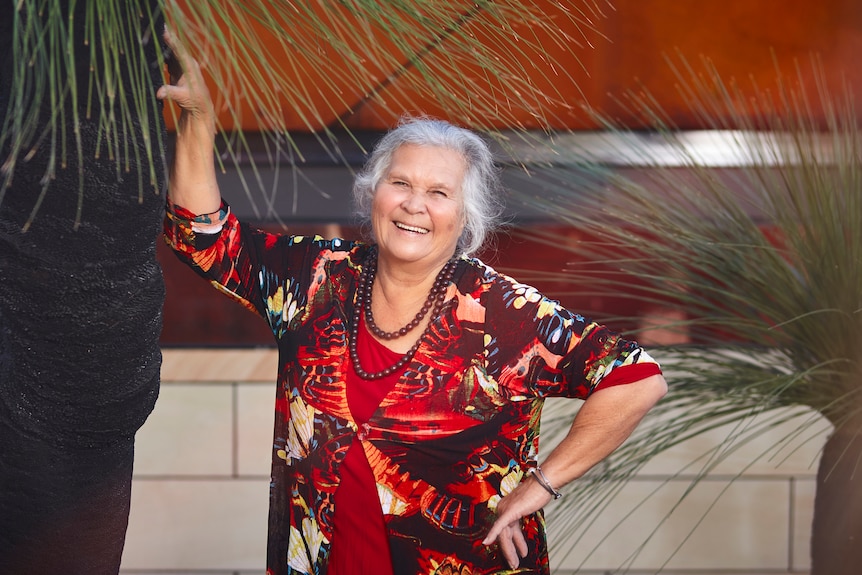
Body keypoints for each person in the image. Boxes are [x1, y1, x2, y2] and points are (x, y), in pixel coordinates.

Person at [157, 29, 667, 575]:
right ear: (373, 193)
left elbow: (637, 377)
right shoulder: (316, 278)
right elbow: (203, 238)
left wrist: (540, 485)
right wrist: (199, 120)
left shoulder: (504, 315)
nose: (414, 205)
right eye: (399, 183)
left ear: (466, 217)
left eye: (439, 193)